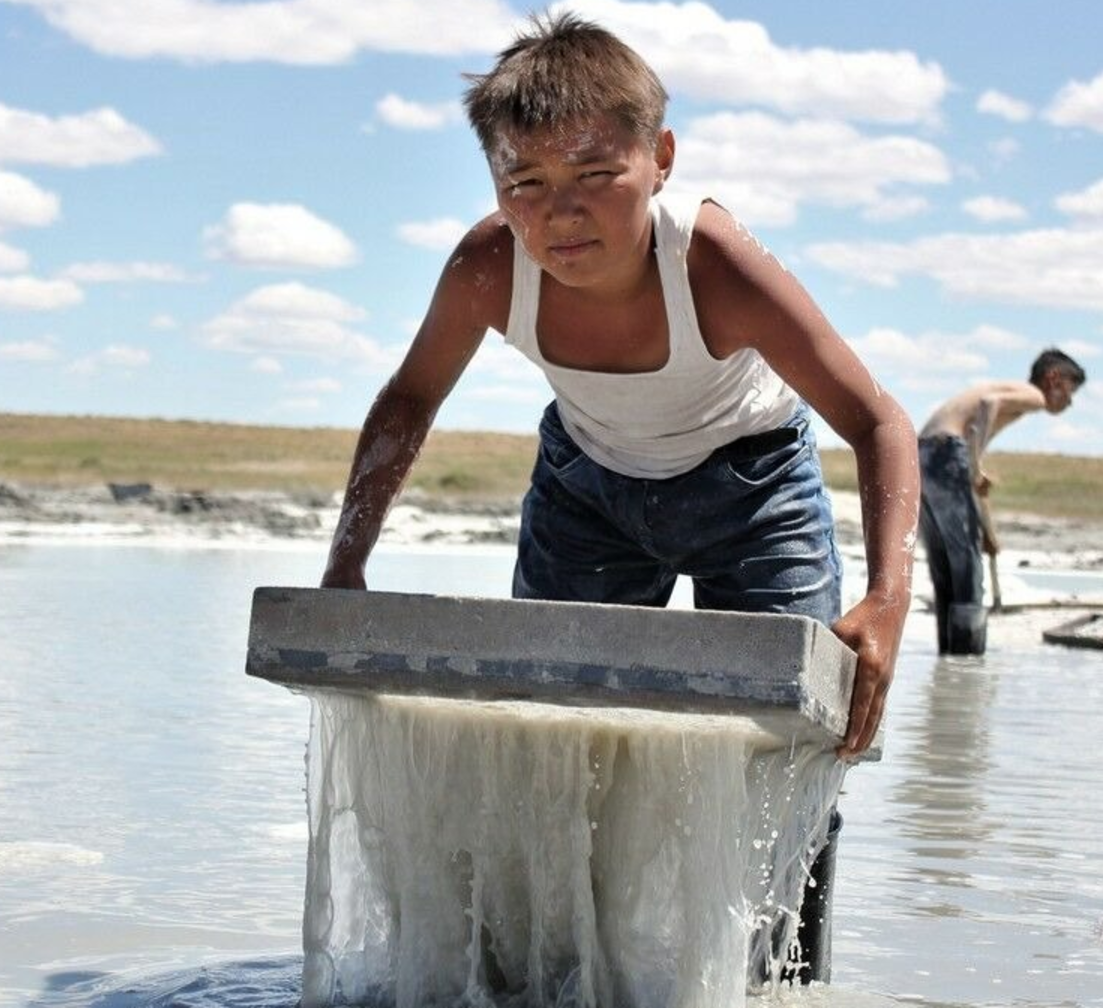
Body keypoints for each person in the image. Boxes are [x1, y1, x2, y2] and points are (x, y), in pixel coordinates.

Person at [319, 12, 918, 986]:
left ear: (661, 158)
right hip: (588, 489)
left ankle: (780, 984)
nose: (561, 215)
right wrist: (347, 560)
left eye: (596, 175)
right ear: (497, 189)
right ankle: (548, 974)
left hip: (752, 483)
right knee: (546, 736)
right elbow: (410, 397)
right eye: (528, 184)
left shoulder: (711, 265)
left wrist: (889, 599)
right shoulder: (489, 267)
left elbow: (880, 420)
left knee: (803, 748)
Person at [914, 349, 1084, 655]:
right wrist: (975, 464)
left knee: (946, 568)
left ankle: (949, 660)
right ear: (1054, 378)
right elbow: (989, 405)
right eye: (1070, 391)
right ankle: (967, 661)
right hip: (945, 452)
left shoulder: (1009, 389)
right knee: (967, 569)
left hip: (923, 453)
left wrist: (986, 531)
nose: (1069, 402)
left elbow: (976, 425)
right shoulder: (1034, 395)